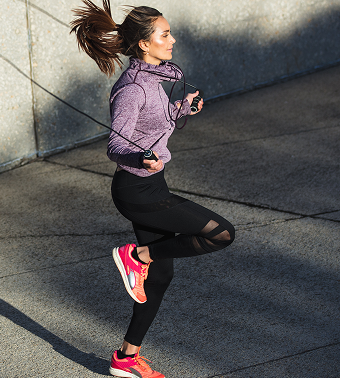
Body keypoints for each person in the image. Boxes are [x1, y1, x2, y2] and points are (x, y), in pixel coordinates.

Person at [71, 1, 235, 377]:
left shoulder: (158, 77)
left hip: (150, 184)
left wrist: (182, 108)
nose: (172, 39)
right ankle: (136, 256)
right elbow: (117, 145)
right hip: (137, 190)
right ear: (144, 44)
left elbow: (156, 123)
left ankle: (125, 359)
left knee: (161, 278)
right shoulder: (130, 90)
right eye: (164, 34)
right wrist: (140, 157)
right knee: (221, 233)